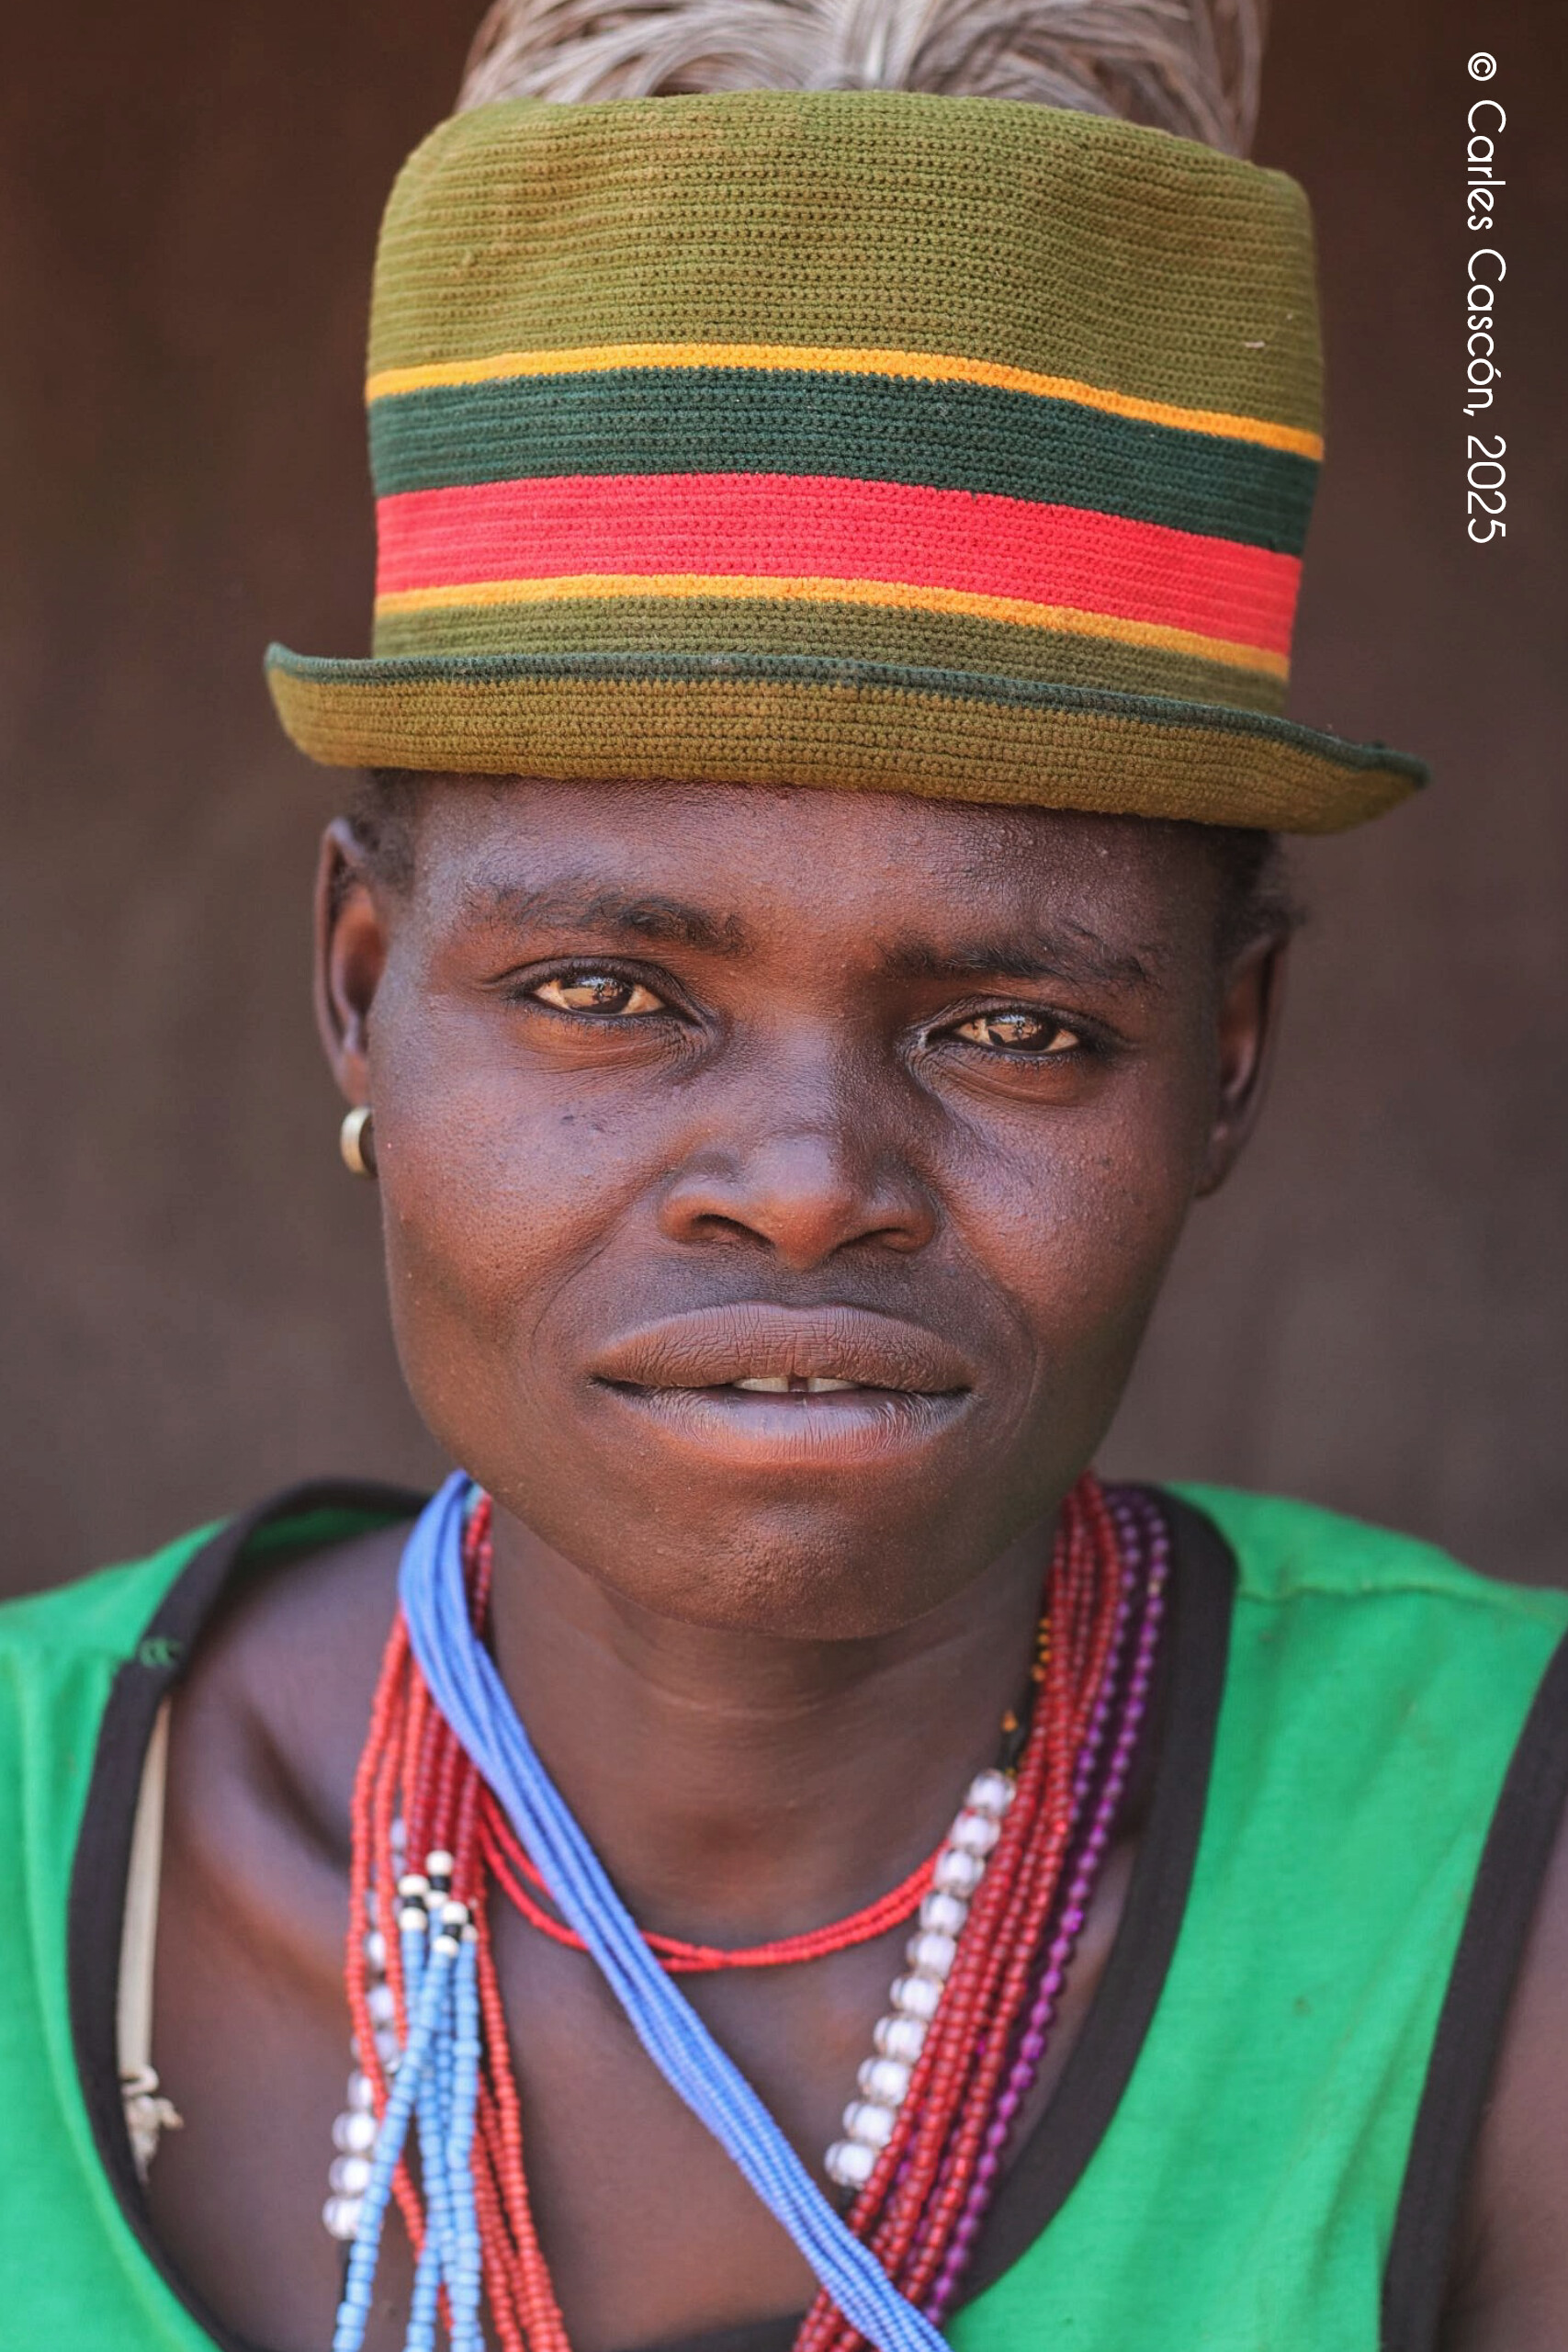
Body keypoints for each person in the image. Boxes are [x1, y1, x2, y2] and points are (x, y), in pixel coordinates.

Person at [2, 3, 1564, 2347]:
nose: (812, 1183)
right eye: (605, 990)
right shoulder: (36, 1829)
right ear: (360, 984)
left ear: (1221, 1062)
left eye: (1013, 1025)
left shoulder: (1499, 1879)